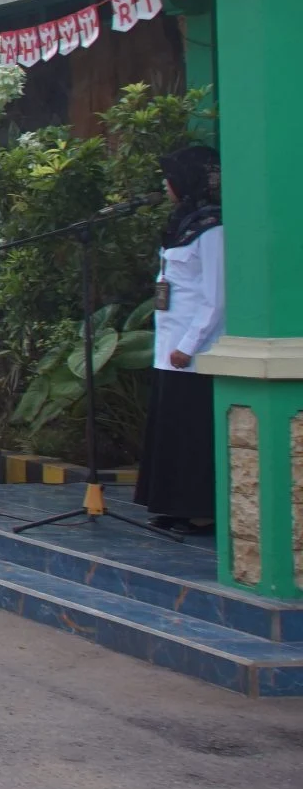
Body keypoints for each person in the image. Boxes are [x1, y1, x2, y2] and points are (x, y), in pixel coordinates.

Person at [136, 145, 226, 535]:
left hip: (195, 350)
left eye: (169, 178)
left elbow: (216, 297)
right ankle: (171, 505)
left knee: (193, 432)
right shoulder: (181, 224)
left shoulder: (213, 229)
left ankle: (200, 511)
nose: (164, 185)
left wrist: (189, 345)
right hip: (169, 346)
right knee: (171, 429)